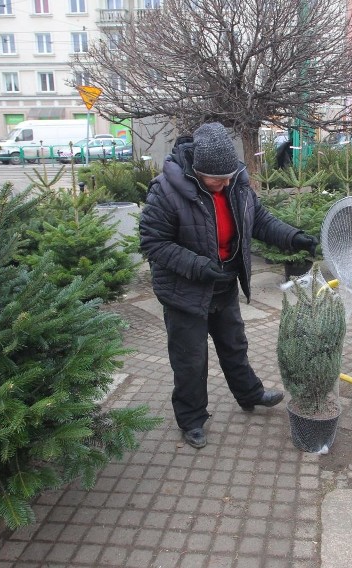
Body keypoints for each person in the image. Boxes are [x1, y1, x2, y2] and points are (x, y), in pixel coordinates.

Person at [139, 122, 318, 449]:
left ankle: (249, 393)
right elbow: (154, 243)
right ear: (197, 169)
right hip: (185, 291)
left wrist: (294, 237)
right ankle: (192, 419)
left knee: (234, 344)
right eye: (215, 179)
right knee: (190, 359)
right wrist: (199, 267)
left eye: (228, 177)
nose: (223, 184)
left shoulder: (236, 185)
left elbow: (260, 221)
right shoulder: (166, 190)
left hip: (222, 282)